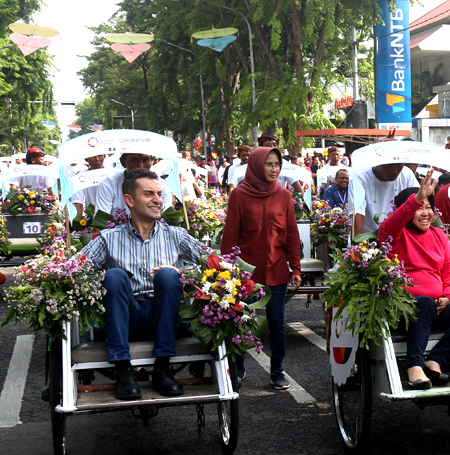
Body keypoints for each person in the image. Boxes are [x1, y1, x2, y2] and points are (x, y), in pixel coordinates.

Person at [79, 169, 205, 400]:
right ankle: (123, 370)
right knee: (114, 276)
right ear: (129, 200)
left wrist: (182, 272)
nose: (158, 200)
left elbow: (216, 266)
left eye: (159, 194)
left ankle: (163, 368)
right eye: (149, 194)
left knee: (168, 275)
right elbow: (73, 270)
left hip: (167, 317)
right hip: (126, 318)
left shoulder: (176, 235)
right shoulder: (109, 237)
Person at [378, 173, 450, 389]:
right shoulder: (396, 235)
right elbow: (388, 228)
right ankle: (414, 366)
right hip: (404, 309)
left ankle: (436, 361)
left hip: (437, 308)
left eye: (428, 207)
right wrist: (415, 199)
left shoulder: (439, 235)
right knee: (423, 303)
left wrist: (448, 297)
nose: (425, 213)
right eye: (418, 208)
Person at [221, 147, 303, 390]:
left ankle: (277, 370)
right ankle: (239, 366)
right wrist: (226, 271)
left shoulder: (284, 195)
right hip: (246, 273)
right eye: (268, 164)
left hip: (276, 271)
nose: (274, 168)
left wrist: (295, 268)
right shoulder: (240, 194)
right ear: (256, 165)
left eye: (277, 164)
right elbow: (230, 234)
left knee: (277, 324)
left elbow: (291, 234)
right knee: (241, 321)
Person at [348, 162, 419, 236]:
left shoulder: (407, 174)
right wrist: (359, 245)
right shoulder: (360, 178)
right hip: (368, 238)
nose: (394, 171)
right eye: (389, 165)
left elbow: (418, 205)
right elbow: (357, 217)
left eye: (398, 165)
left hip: (397, 238)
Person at [96, 153, 174, 215]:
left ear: (152, 161)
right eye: (134, 160)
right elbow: (100, 223)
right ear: (123, 162)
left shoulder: (161, 185)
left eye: (145, 160)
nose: (140, 166)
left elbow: (167, 218)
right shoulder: (108, 184)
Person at [69, 154, 108, 218]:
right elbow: (78, 203)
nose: (97, 159)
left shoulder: (113, 174)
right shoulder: (80, 177)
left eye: (100, 155)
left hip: (116, 217)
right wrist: (77, 224)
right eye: (93, 156)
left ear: (104, 156)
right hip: (94, 219)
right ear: (86, 158)